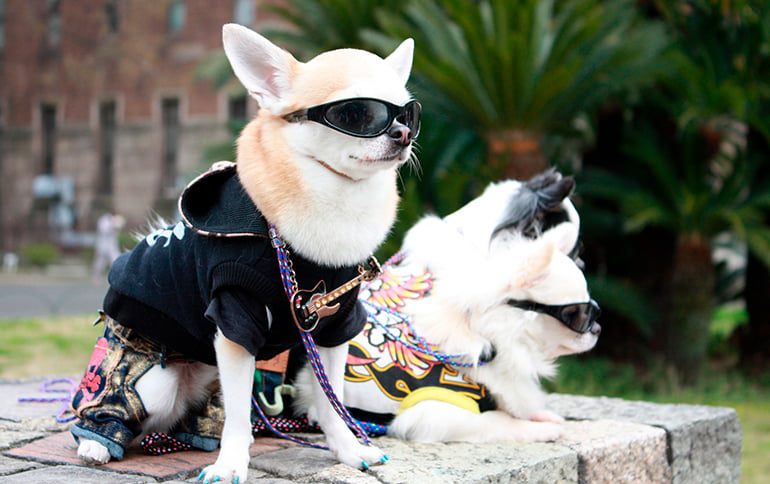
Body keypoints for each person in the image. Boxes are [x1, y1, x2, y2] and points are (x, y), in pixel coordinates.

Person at [91, 213, 124, 284]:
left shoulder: (115, 220)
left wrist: (116, 227)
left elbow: (116, 232)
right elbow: (103, 230)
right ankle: (96, 277)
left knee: (115, 259)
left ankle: (117, 277)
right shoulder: (104, 220)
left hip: (112, 245)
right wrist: (112, 226)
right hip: (103, 244)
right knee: (100, 262)